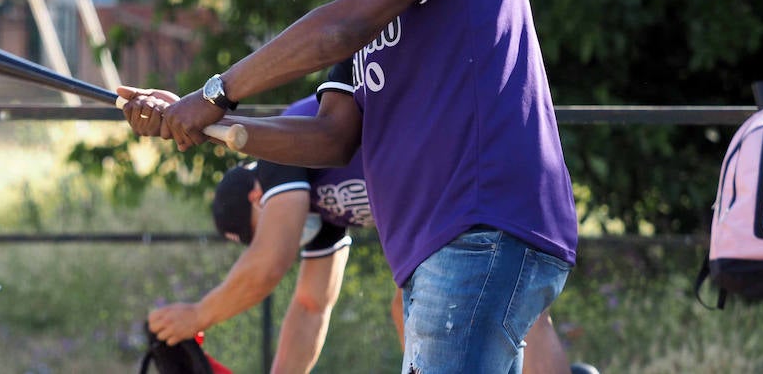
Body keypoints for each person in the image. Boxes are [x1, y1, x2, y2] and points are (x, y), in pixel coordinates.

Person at [121, 0, 578, 374]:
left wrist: (214, 92)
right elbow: (332, 138)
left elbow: (338, 27)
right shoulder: (383, 0)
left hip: (480, 223)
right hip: (439, 245)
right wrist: (203, 123)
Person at [156, 68, 574, 374]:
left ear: (255, 194)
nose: (272, 233)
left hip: (464, 172)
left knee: (438, 303)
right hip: (455, 193)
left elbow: (269, 262)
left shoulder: (275, 159)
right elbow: (310, 305)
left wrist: (197, 315)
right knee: (506, 308)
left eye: (257, 227)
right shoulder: (321, 210)